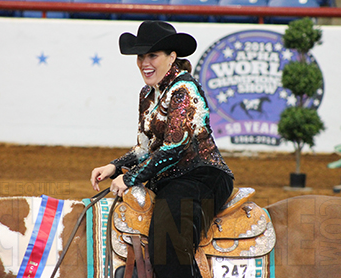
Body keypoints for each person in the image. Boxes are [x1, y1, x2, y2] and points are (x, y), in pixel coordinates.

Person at [90, 20, 234, 278]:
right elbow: (145, 148)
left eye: (153, 55)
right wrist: (114, 166)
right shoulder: (147, 94)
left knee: (168, 244)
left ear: (172, 57)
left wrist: (131, 177)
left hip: (202, 177)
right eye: (141, 56)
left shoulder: (184, 89)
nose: (145, 62)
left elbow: (174, 147)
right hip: (170, 179)